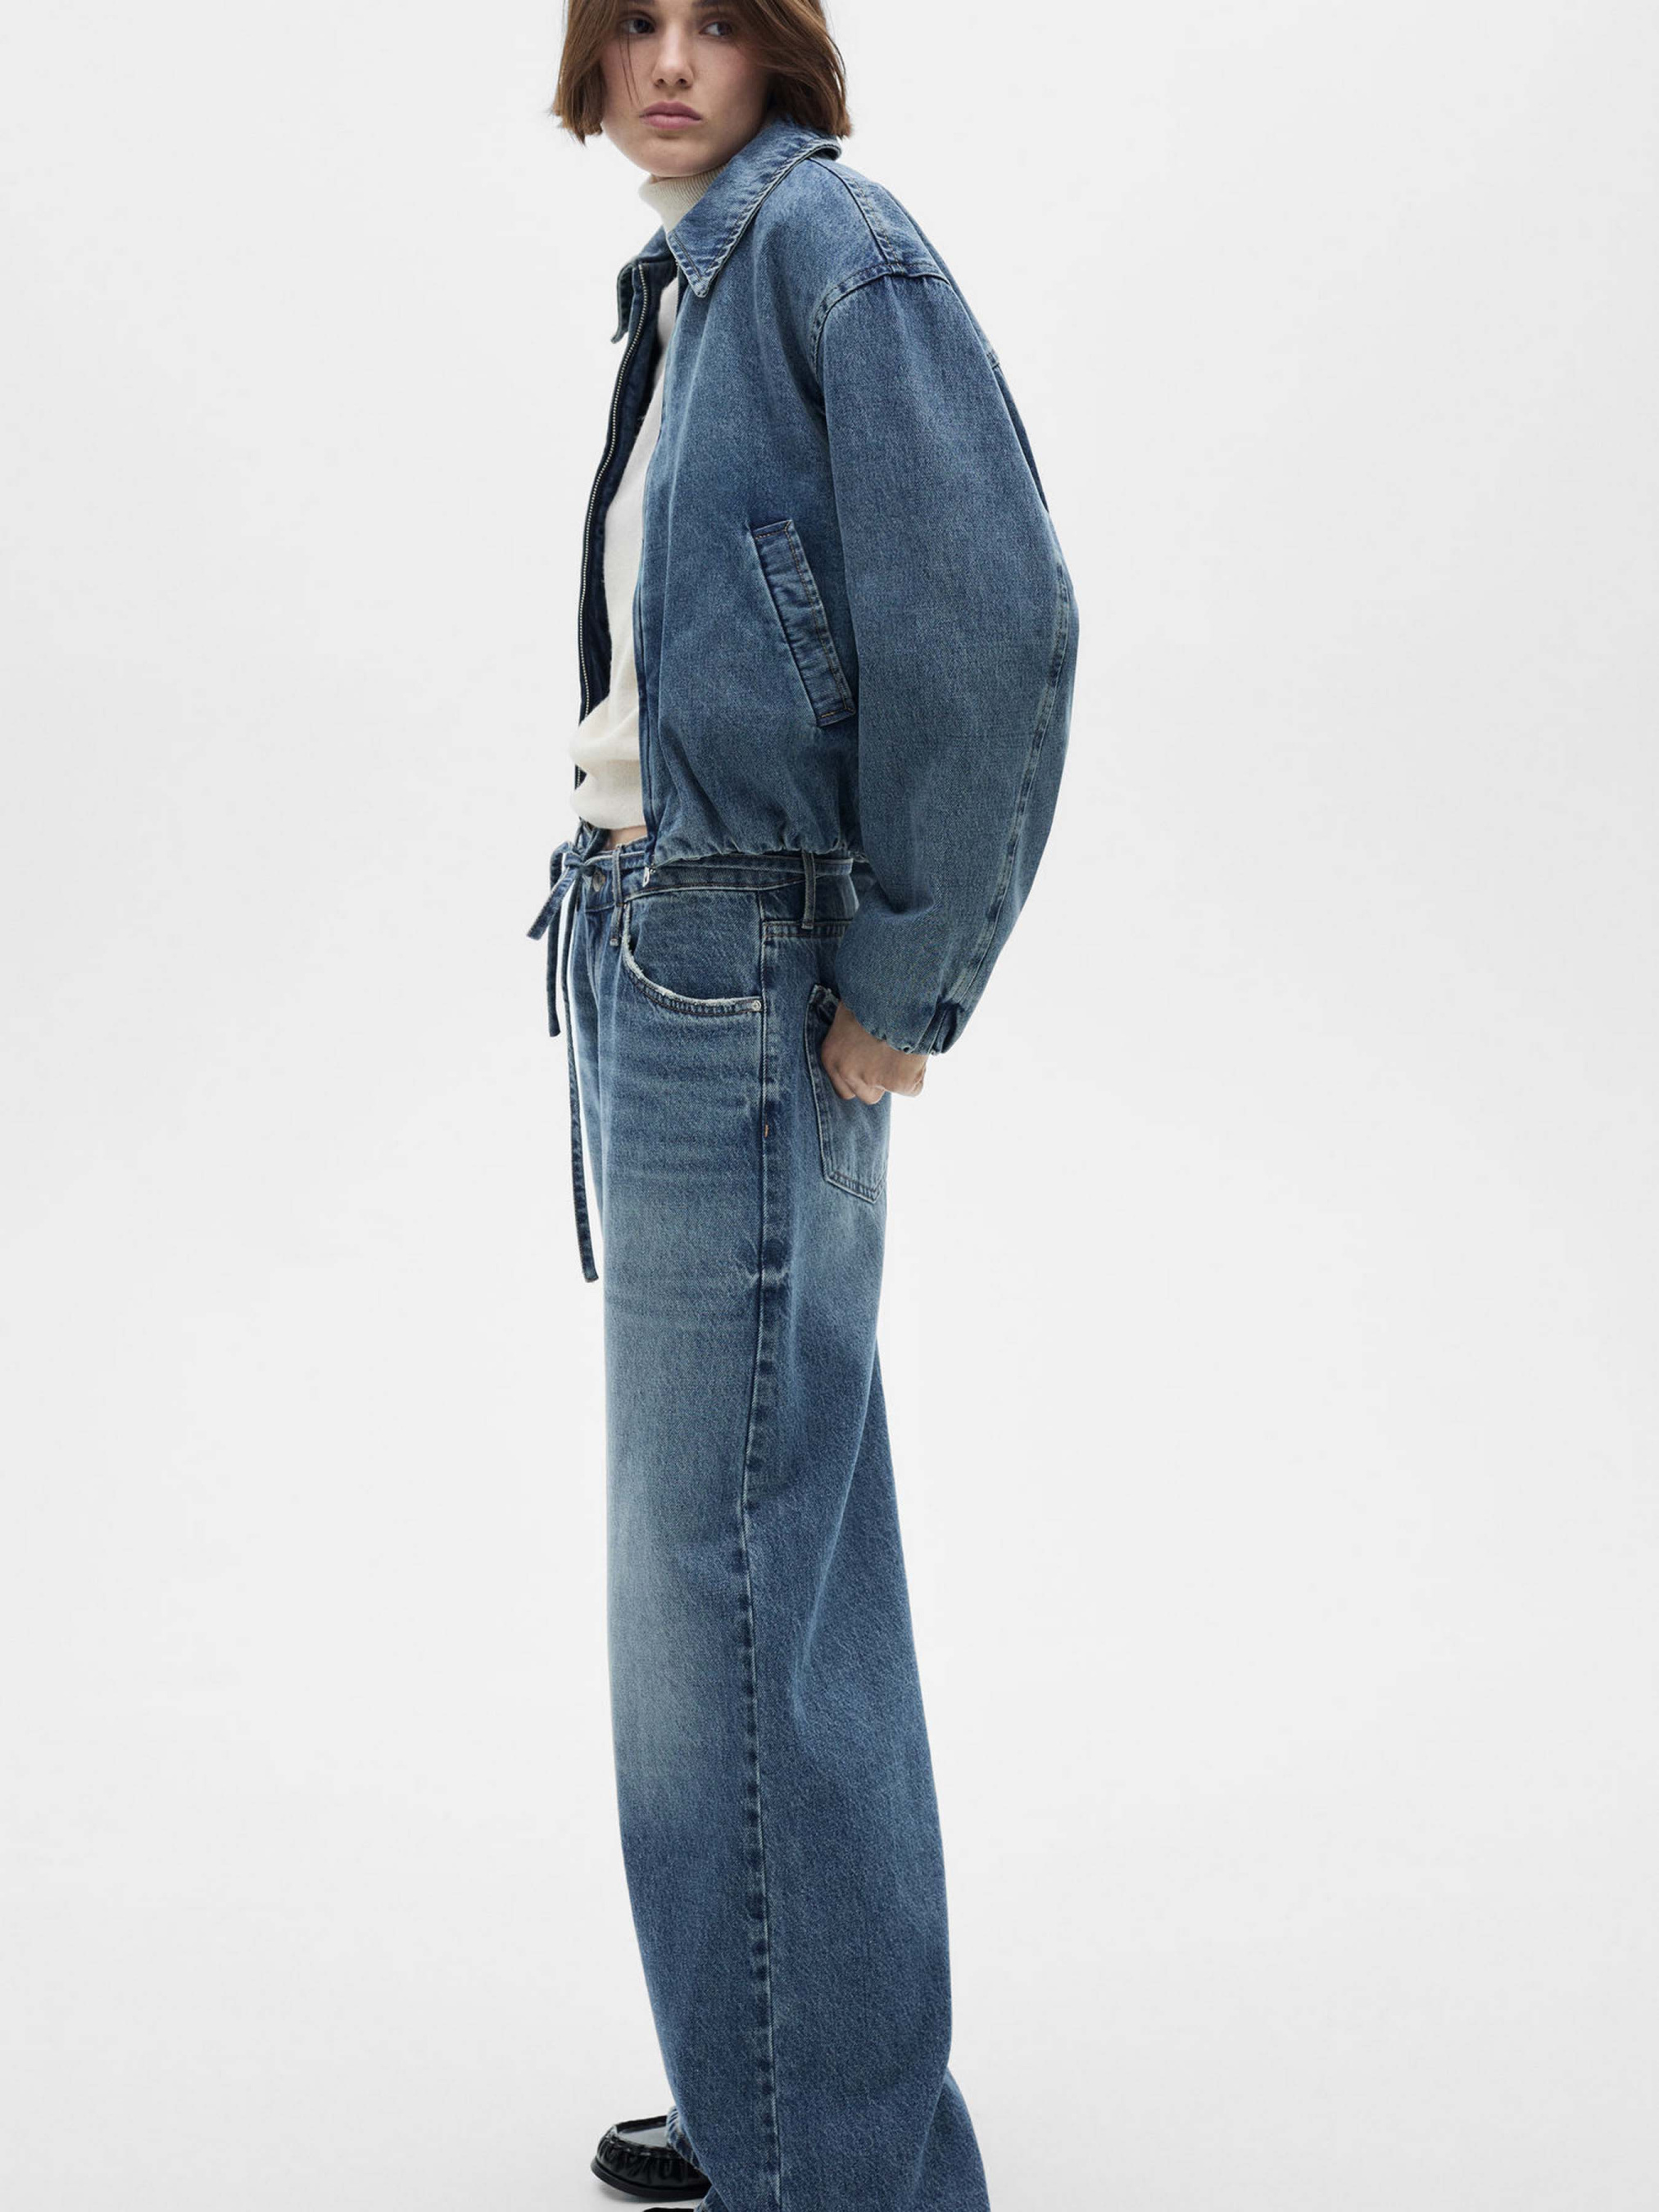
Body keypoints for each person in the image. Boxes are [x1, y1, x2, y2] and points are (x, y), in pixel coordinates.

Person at [529, 6, 1079, 2208]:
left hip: (738, 956)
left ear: (780, 52)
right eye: (631, 24)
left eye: (713, 22)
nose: (669, 61)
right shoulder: (698, 275)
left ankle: (841, 2166)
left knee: (738, 1578)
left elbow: (995, 624)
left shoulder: (831, 254)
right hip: (651, 935)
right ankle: (780, 2084)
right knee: (739, 1573)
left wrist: (904, 972)